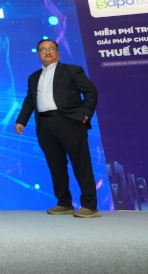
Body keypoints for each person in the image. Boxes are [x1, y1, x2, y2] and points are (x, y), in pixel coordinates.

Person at [15, 39, 100, 218]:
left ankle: (90, 206)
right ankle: (64, 203)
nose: (47, 52)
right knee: (56, 165)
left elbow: (91, 92)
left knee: (81, 164)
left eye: (51, 49)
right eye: (43, 49)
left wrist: (85, 115)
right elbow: (30, 100)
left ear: (58, 53)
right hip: (45, 124)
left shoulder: (72, 70)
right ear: (38, 54)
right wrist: (21, 121)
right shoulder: (33, 77)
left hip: (70, 122)